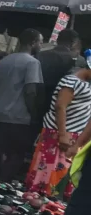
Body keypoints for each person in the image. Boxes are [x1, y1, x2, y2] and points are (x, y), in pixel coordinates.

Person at [0, 28, 44, 180]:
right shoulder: (33, 63)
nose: (41, 45)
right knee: (15, 154)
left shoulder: (5, 60)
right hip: (18, 118)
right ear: (33, 43)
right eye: (40, 42)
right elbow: (30, 91)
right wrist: (34, 114)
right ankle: (2, 184)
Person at [27, 66, 91, 198]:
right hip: (57, 134)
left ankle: (48, 205)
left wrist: (78, 144)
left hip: (74, 137)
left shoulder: (86, 85)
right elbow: (60, 106)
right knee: (45, 176)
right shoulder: (71, 82)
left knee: (60, 178)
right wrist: (62, 134)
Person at [37, 29, 81, 122]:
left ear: (57, 40)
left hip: (38, 103)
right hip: (59, 110)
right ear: (73, 43)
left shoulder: (40, 55)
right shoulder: (77, 61)